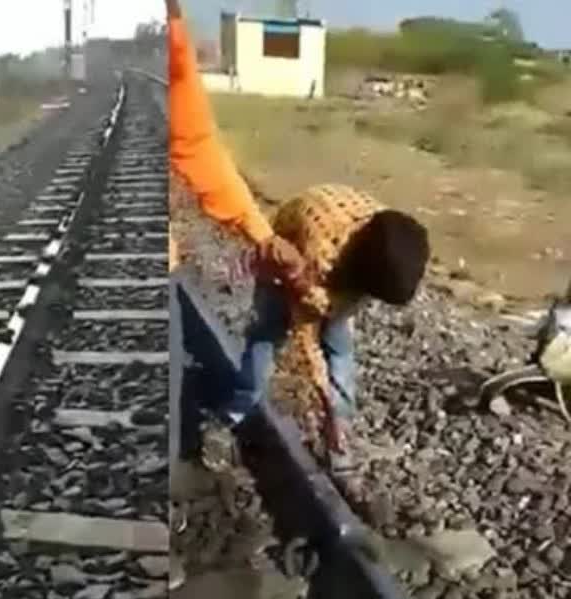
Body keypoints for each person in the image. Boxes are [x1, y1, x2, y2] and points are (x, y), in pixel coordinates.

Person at [163, 1, 430, 470]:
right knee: (266, 346)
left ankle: (342, 429)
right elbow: (307, 340)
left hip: (332, 265)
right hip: (286, 264)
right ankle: (230, 419)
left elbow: (196, 144)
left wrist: (335, 410)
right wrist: (322, 401)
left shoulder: (383, 243)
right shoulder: (323, 247)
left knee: (342, 347)